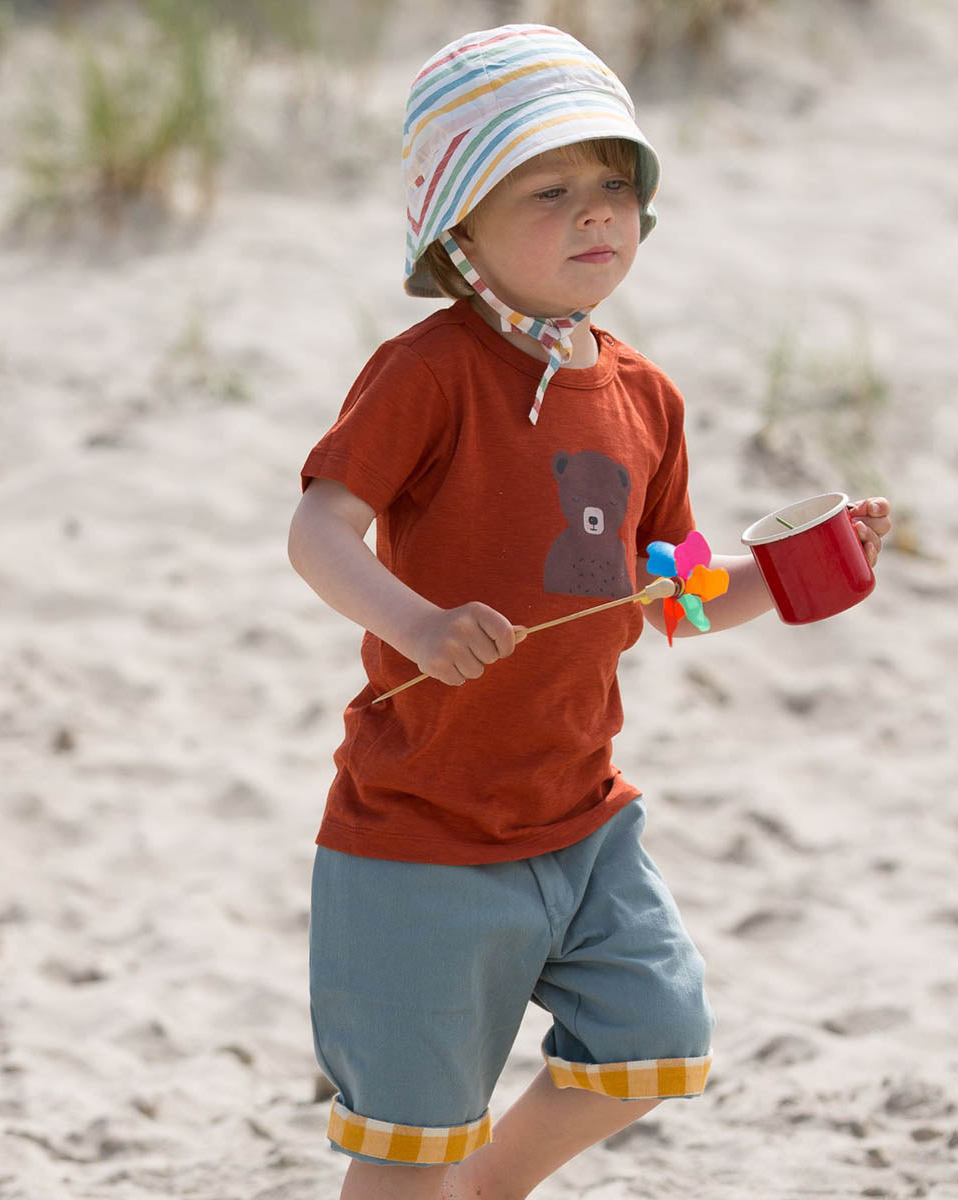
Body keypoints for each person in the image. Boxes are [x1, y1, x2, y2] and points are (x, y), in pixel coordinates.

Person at [287, 23, 892, 1200]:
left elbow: (673, 600)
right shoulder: (429, 372)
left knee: (652, 1047)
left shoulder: (645, 396)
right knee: (407, 1149)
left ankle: (493, 1189)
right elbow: (317, 528)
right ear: (459, 225)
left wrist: (795, 578)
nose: (594, 215)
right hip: (419, 833)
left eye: (614, 186)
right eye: (548, 189)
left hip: (580, 819)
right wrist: (414, 624)